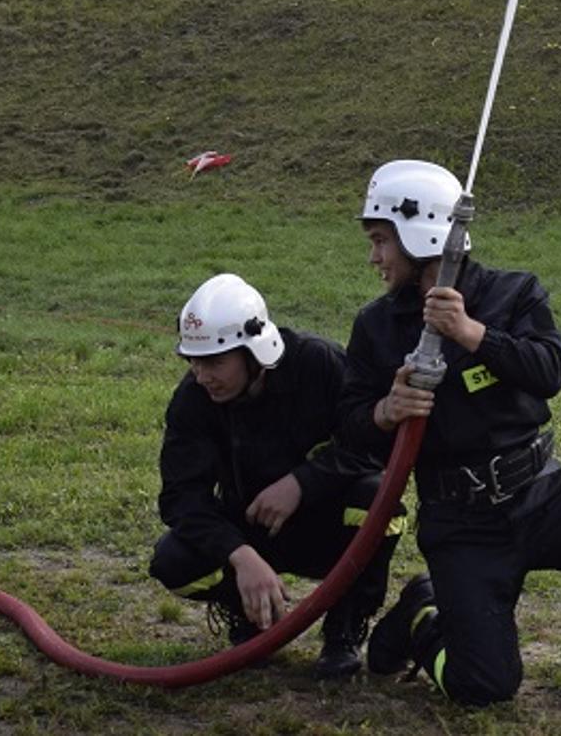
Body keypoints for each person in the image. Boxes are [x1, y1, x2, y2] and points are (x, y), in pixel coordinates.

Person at [339, 160, 561, 707]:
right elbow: (348, 428)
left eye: (379, 241)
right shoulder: (376, 324)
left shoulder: (512, 294)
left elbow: (550, 371)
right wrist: (386, 412)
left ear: (419, 235)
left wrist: (470, 333)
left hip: (540, 499)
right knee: (483, 687)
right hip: (462, 527)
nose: (373, 257)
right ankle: (422, 617)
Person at [149, 273, 401, 679]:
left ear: (254, 352)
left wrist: (303, 482)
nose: (201, 375)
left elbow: (374, 446)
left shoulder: (318, 364)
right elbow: (181, 498)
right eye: (192, 360)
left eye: (214, 361)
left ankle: (344, 628)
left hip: (325, 527)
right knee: (172, 562)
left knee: (379, 505)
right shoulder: (193, 400)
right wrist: (239, 554)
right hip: (248, 532)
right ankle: (249, 615)